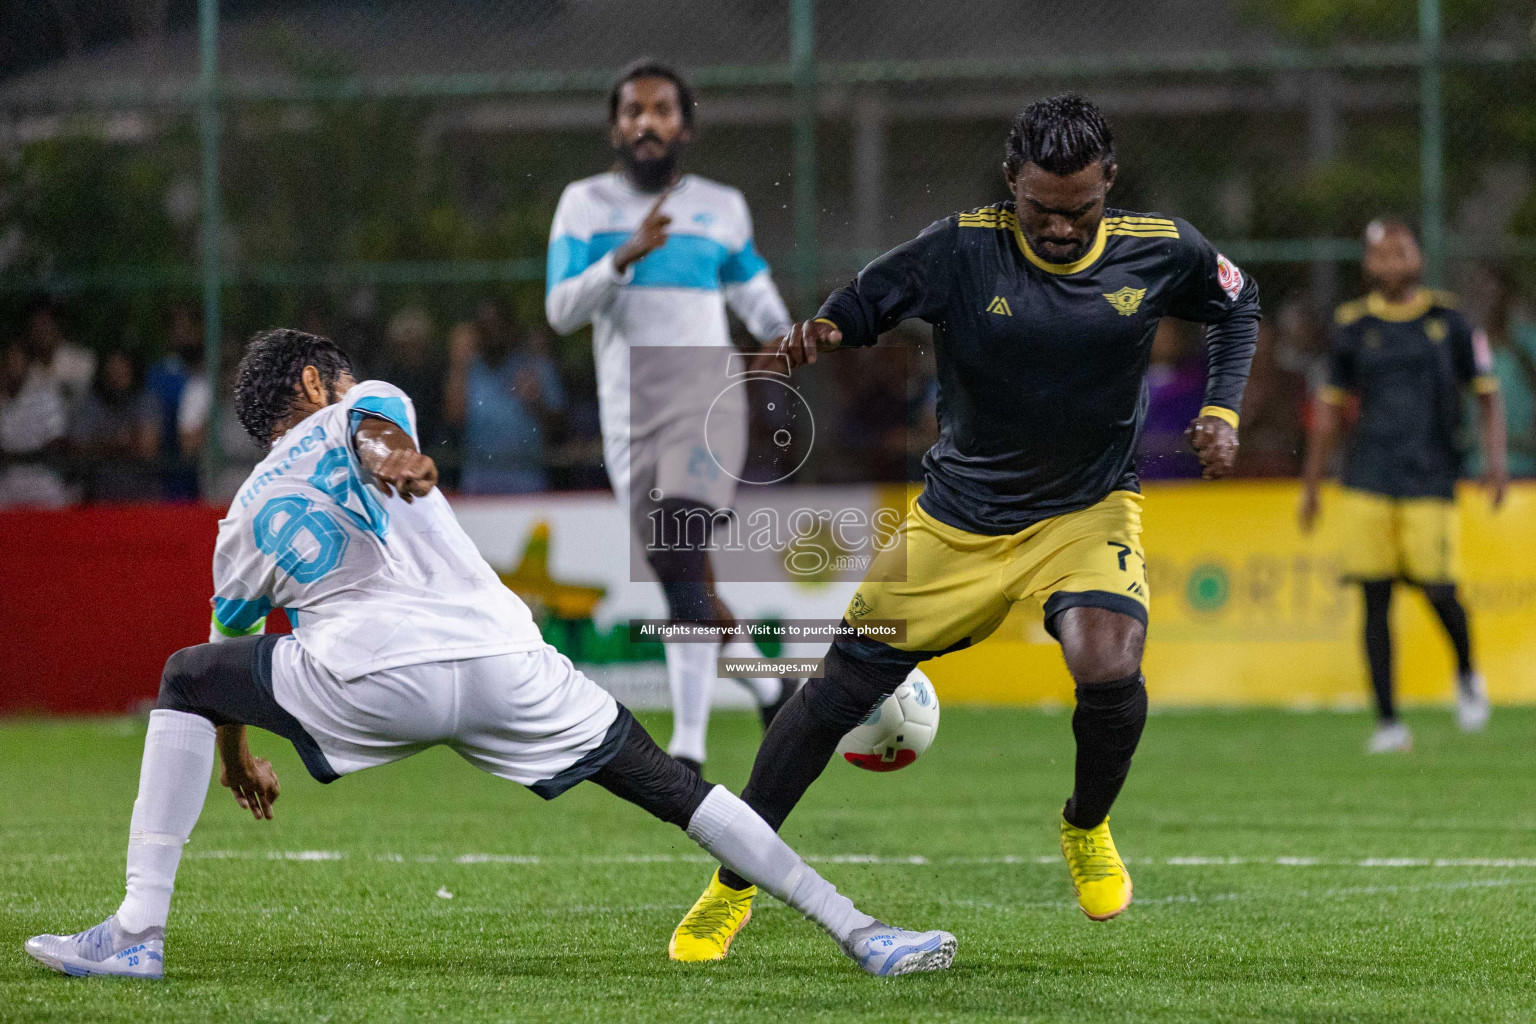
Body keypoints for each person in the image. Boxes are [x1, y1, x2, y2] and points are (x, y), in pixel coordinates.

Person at [22, 328, 955, 981]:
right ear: (313, 380)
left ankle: (139, 929)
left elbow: (222, 665)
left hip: (367, 679)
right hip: (508, 663)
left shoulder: (238, 525)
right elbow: (375, 432)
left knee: (184, 675)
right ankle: (862, 930)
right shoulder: (365, 400)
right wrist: (397, 460)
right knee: (677, 791)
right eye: (336, 377)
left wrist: (238, 757)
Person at [668, 94, 1260, 960]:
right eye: (1040, 210)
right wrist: (821, 333)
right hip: (958, 520)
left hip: (1086, 510)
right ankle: (732, 882)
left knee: (1108, 661)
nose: (1059, 230)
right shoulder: (962, 246)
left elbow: (1238, 307)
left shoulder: (1163, 247)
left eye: (1080, 211)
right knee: (832, 695)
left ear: (1110, 185)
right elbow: (868, 300)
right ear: (1011, 182)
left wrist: (1222, 410)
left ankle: (1086, 825)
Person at [544, 61, 797, 777]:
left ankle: (687, 747)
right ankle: (770, 684)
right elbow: (561, 311)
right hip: (629, 413)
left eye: (660, 110)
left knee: (682, 553)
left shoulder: (720, 206)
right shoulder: (584, 205)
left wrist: (784, 333)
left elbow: (753, 292)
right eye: (632, 111)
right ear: (615, 127)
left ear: (684, 125)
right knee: (679, 576)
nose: (646, 122)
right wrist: (621, 258)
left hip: (704, 398)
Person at [1299, 220, 1507, 752]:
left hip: (1431, 474)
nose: (1392, 263)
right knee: (1374, 596)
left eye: (1401, 252)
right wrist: (1312, 483)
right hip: (1367, 474)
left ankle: (1466, 673)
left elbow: (1486, 396)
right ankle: (1389, 723)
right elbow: (1328, 410)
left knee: (1437, 585)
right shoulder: (1352, 325)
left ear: (1417, 258)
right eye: (1381, 255)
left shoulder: (1451, 320)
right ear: (1368, 265)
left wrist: (1496, 464)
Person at [447, 300, 566, 494]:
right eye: (484, 327)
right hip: (478, 480)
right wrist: (458, 365)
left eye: (497, 325)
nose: (492, 333)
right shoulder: (467, 369)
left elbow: (560, 426)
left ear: (510, 327)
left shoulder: (535, 366)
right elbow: (453, 419)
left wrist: (536, 401)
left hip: (527, 479)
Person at [68, 348, 162, 502]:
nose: (116, 374)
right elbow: (78, 447)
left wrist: (101, 447)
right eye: (112, 368)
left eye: (122, 368)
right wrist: (113, 444)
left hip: (142, 497)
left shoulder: (146, 400)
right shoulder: (92, 402)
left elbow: (147, 449)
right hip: (100, 497)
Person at [0, 338, 71, 508]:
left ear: (28, 363)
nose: (13, 364)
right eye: (9, 359)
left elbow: (57, 442)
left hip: (42, 475)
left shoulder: (46, 397)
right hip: (6, 477)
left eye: (18, 359)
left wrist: (21, 455)